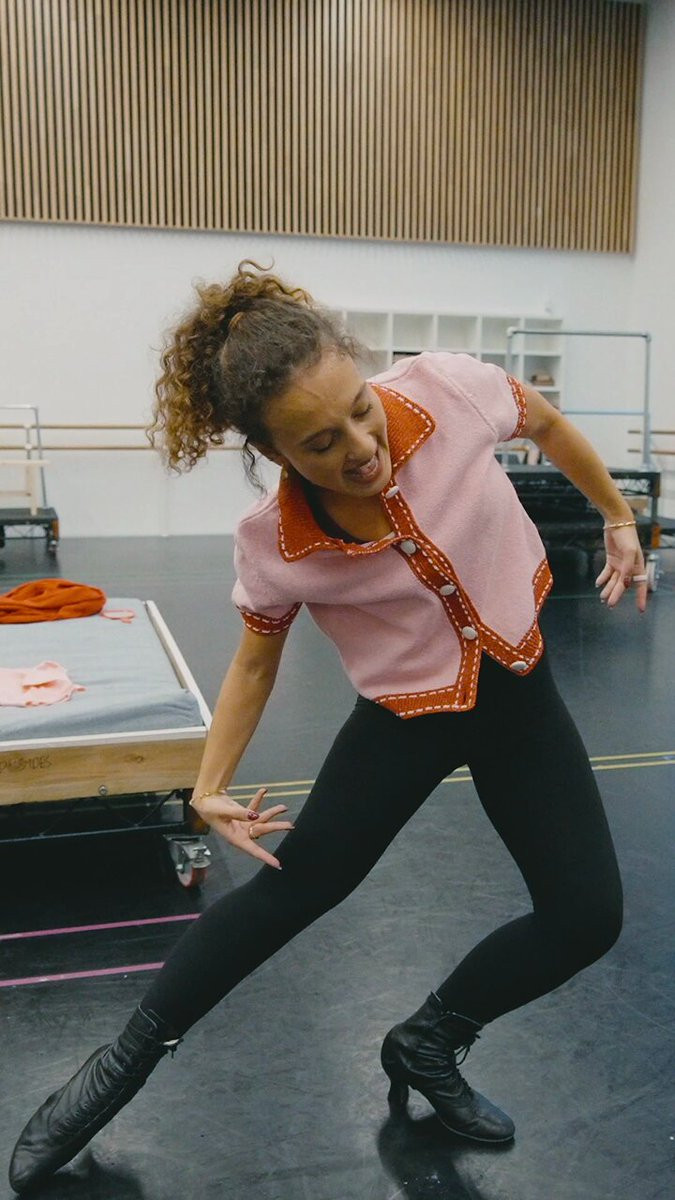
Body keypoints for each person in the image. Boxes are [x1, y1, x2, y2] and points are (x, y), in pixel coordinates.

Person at [9, 262, 646, 1193]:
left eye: (359, 410)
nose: (359, 445)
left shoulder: (448, 389)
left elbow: (542, 423)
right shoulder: (273, 543)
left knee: (586, 916)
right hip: (404, 717)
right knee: (290, 889)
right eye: (319, 441)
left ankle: (429, 1040)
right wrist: (207, 784)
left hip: (517, 689)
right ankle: (114, 1073)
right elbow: (254, 662)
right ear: (271, 451)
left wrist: (617, 515)